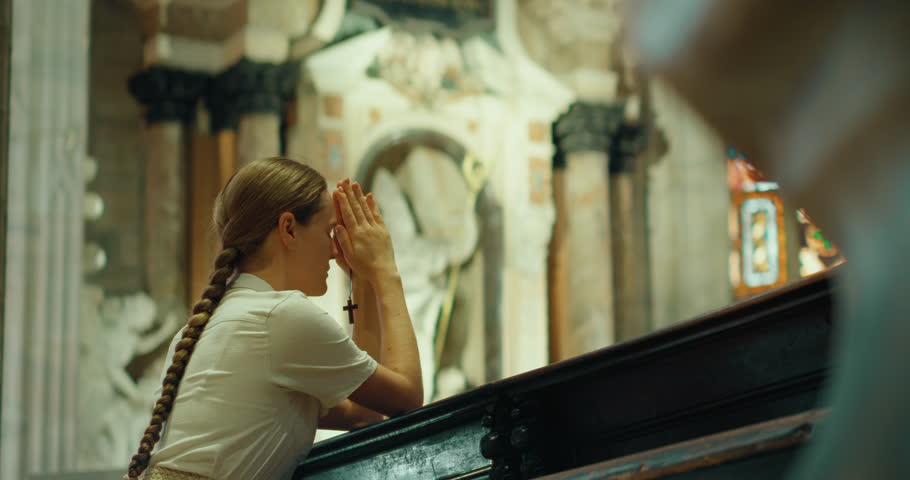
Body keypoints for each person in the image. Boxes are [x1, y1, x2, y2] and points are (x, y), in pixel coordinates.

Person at [125, 157, 423, 480]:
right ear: (289, 229)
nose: (334, 250)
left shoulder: (206, 326)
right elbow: (406, 398)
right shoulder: (281, 317)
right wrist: (386, 272)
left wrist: (361, 279)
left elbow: (363, 412)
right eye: (328, 233)